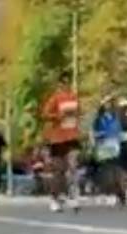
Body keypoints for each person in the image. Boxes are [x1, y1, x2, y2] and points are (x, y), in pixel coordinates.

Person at [42, 73, 82, 212]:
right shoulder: (55, 99)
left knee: (73, 167)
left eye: (67, 83)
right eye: (63, 83)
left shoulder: (74, 98)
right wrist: (57, 116)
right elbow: (45, 114)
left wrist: (78, 130)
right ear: (59, 84)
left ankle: (73, 197)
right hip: (58, 139)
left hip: (72, 137)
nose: (65, 85)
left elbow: (77, 115)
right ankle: (54, 199)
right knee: (59, 171)